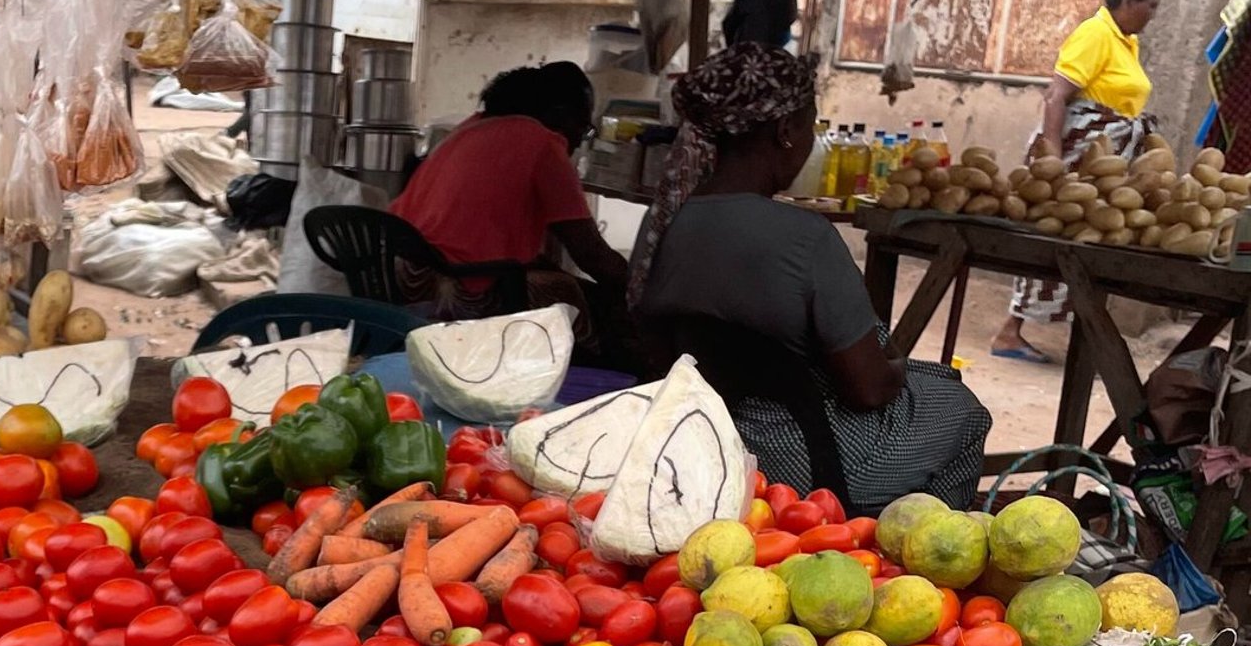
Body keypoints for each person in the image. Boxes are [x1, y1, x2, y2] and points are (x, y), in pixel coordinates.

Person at [630, 44, 990, 511]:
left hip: (701, 438)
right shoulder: (805, 238)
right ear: (786, 131)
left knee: (929, 383)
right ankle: (912, 543)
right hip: (802, 456)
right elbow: (867, 389)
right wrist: (897, 368)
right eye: (810, 126)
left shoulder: (674, 223)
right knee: (962, 409)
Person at [395, 61, 633, 361]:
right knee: (570, 292)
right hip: (460, 291)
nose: (577, 139)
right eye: (583, 127)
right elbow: (592, 255)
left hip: (408, 280)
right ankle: (592, 374)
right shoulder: (543, 144)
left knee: (569, 282)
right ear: (559, 115)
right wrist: (640, 289)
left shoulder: (468, 129)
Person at [993, 0, 1162, 359]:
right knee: (1054, 238)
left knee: (1085, 244)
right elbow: (1056, 96)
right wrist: (1052, 158)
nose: (1154, 14)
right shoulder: (1095, 33)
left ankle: (1080, 343)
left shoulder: (1126, 41)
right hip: (1075, 156)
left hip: (1103, 162)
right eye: (1151, 5)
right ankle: (1009, 333)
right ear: (1129, 0)